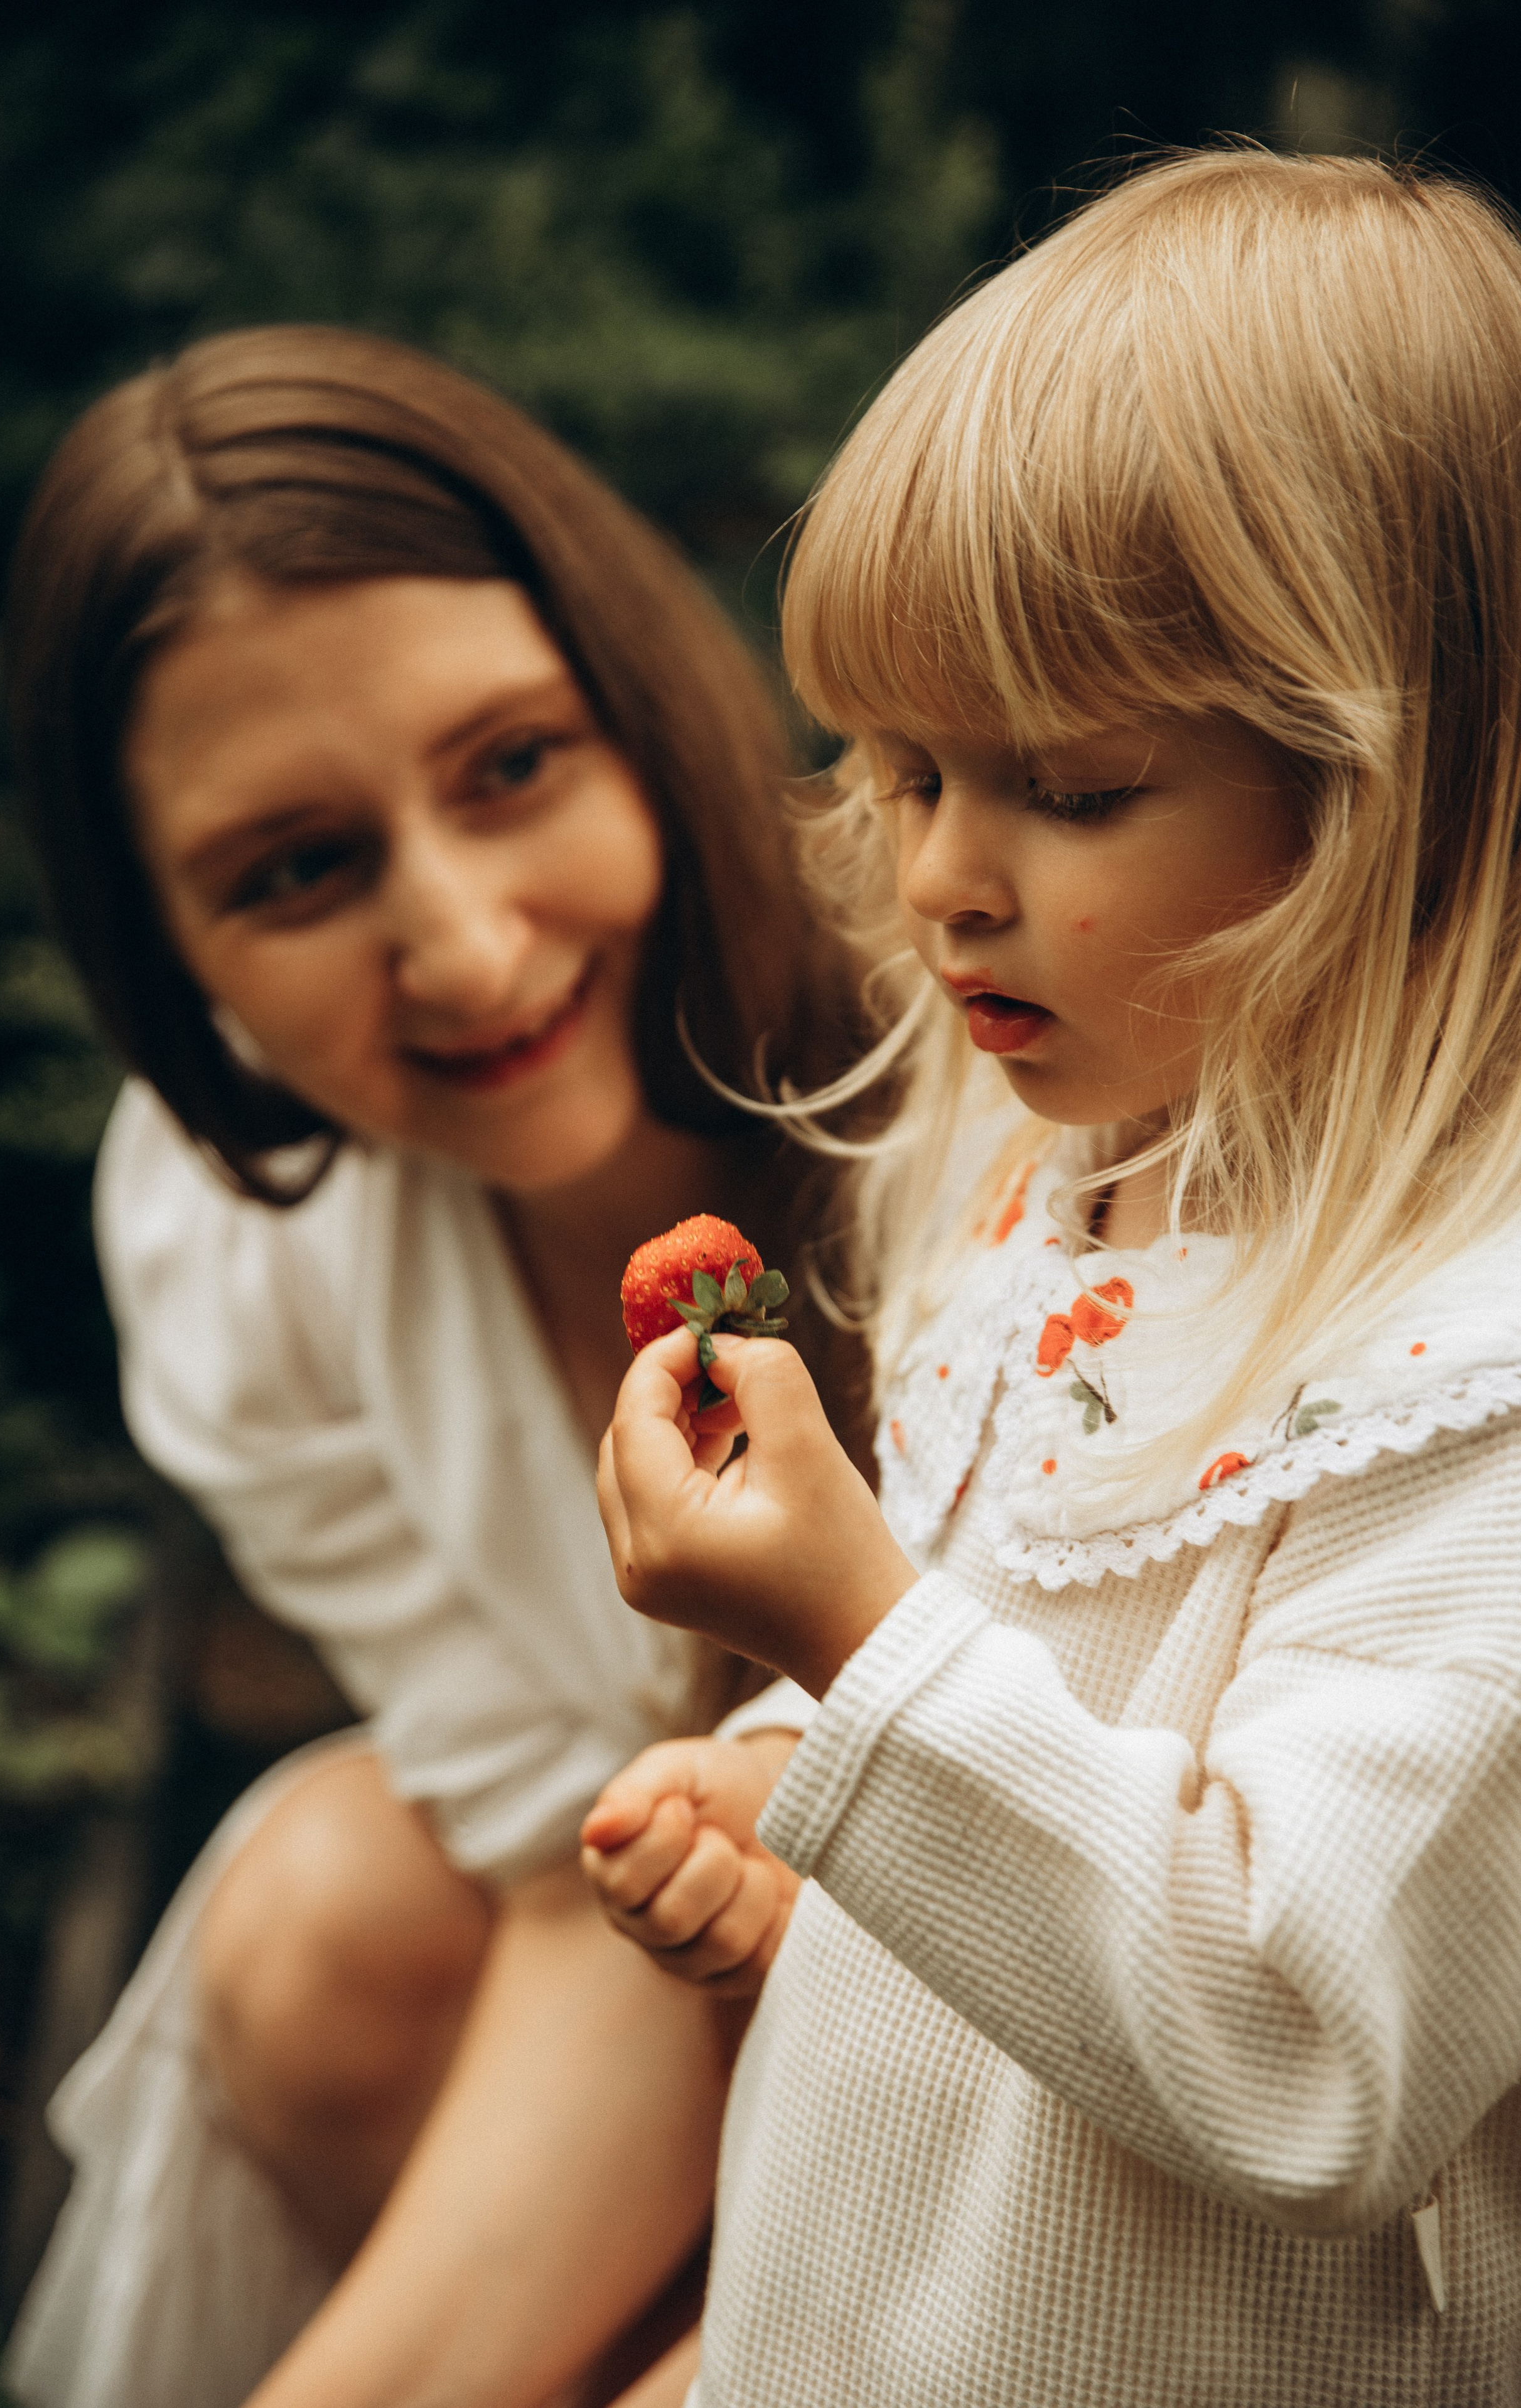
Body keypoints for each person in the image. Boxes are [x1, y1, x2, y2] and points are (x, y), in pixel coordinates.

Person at [585, 151, 1521, 2405]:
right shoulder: (1060, 1166)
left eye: (1069, 785)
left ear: (1413, 785)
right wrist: (795, 1763)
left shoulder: (1469, 1380)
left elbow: (1305, 2043)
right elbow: (1010, 1658)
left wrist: (850, 1643)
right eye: (900, 770)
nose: (939, 877)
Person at [0, 324, 864, 2408]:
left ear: (638, 702)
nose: (468, 949)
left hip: (1137, 2014)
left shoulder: (998, 1043)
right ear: (161, 944)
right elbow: (581, 1881)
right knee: (315, 1926)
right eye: (295, 870)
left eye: (512, 764)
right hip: (705, 1994)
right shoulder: (240, 1242)